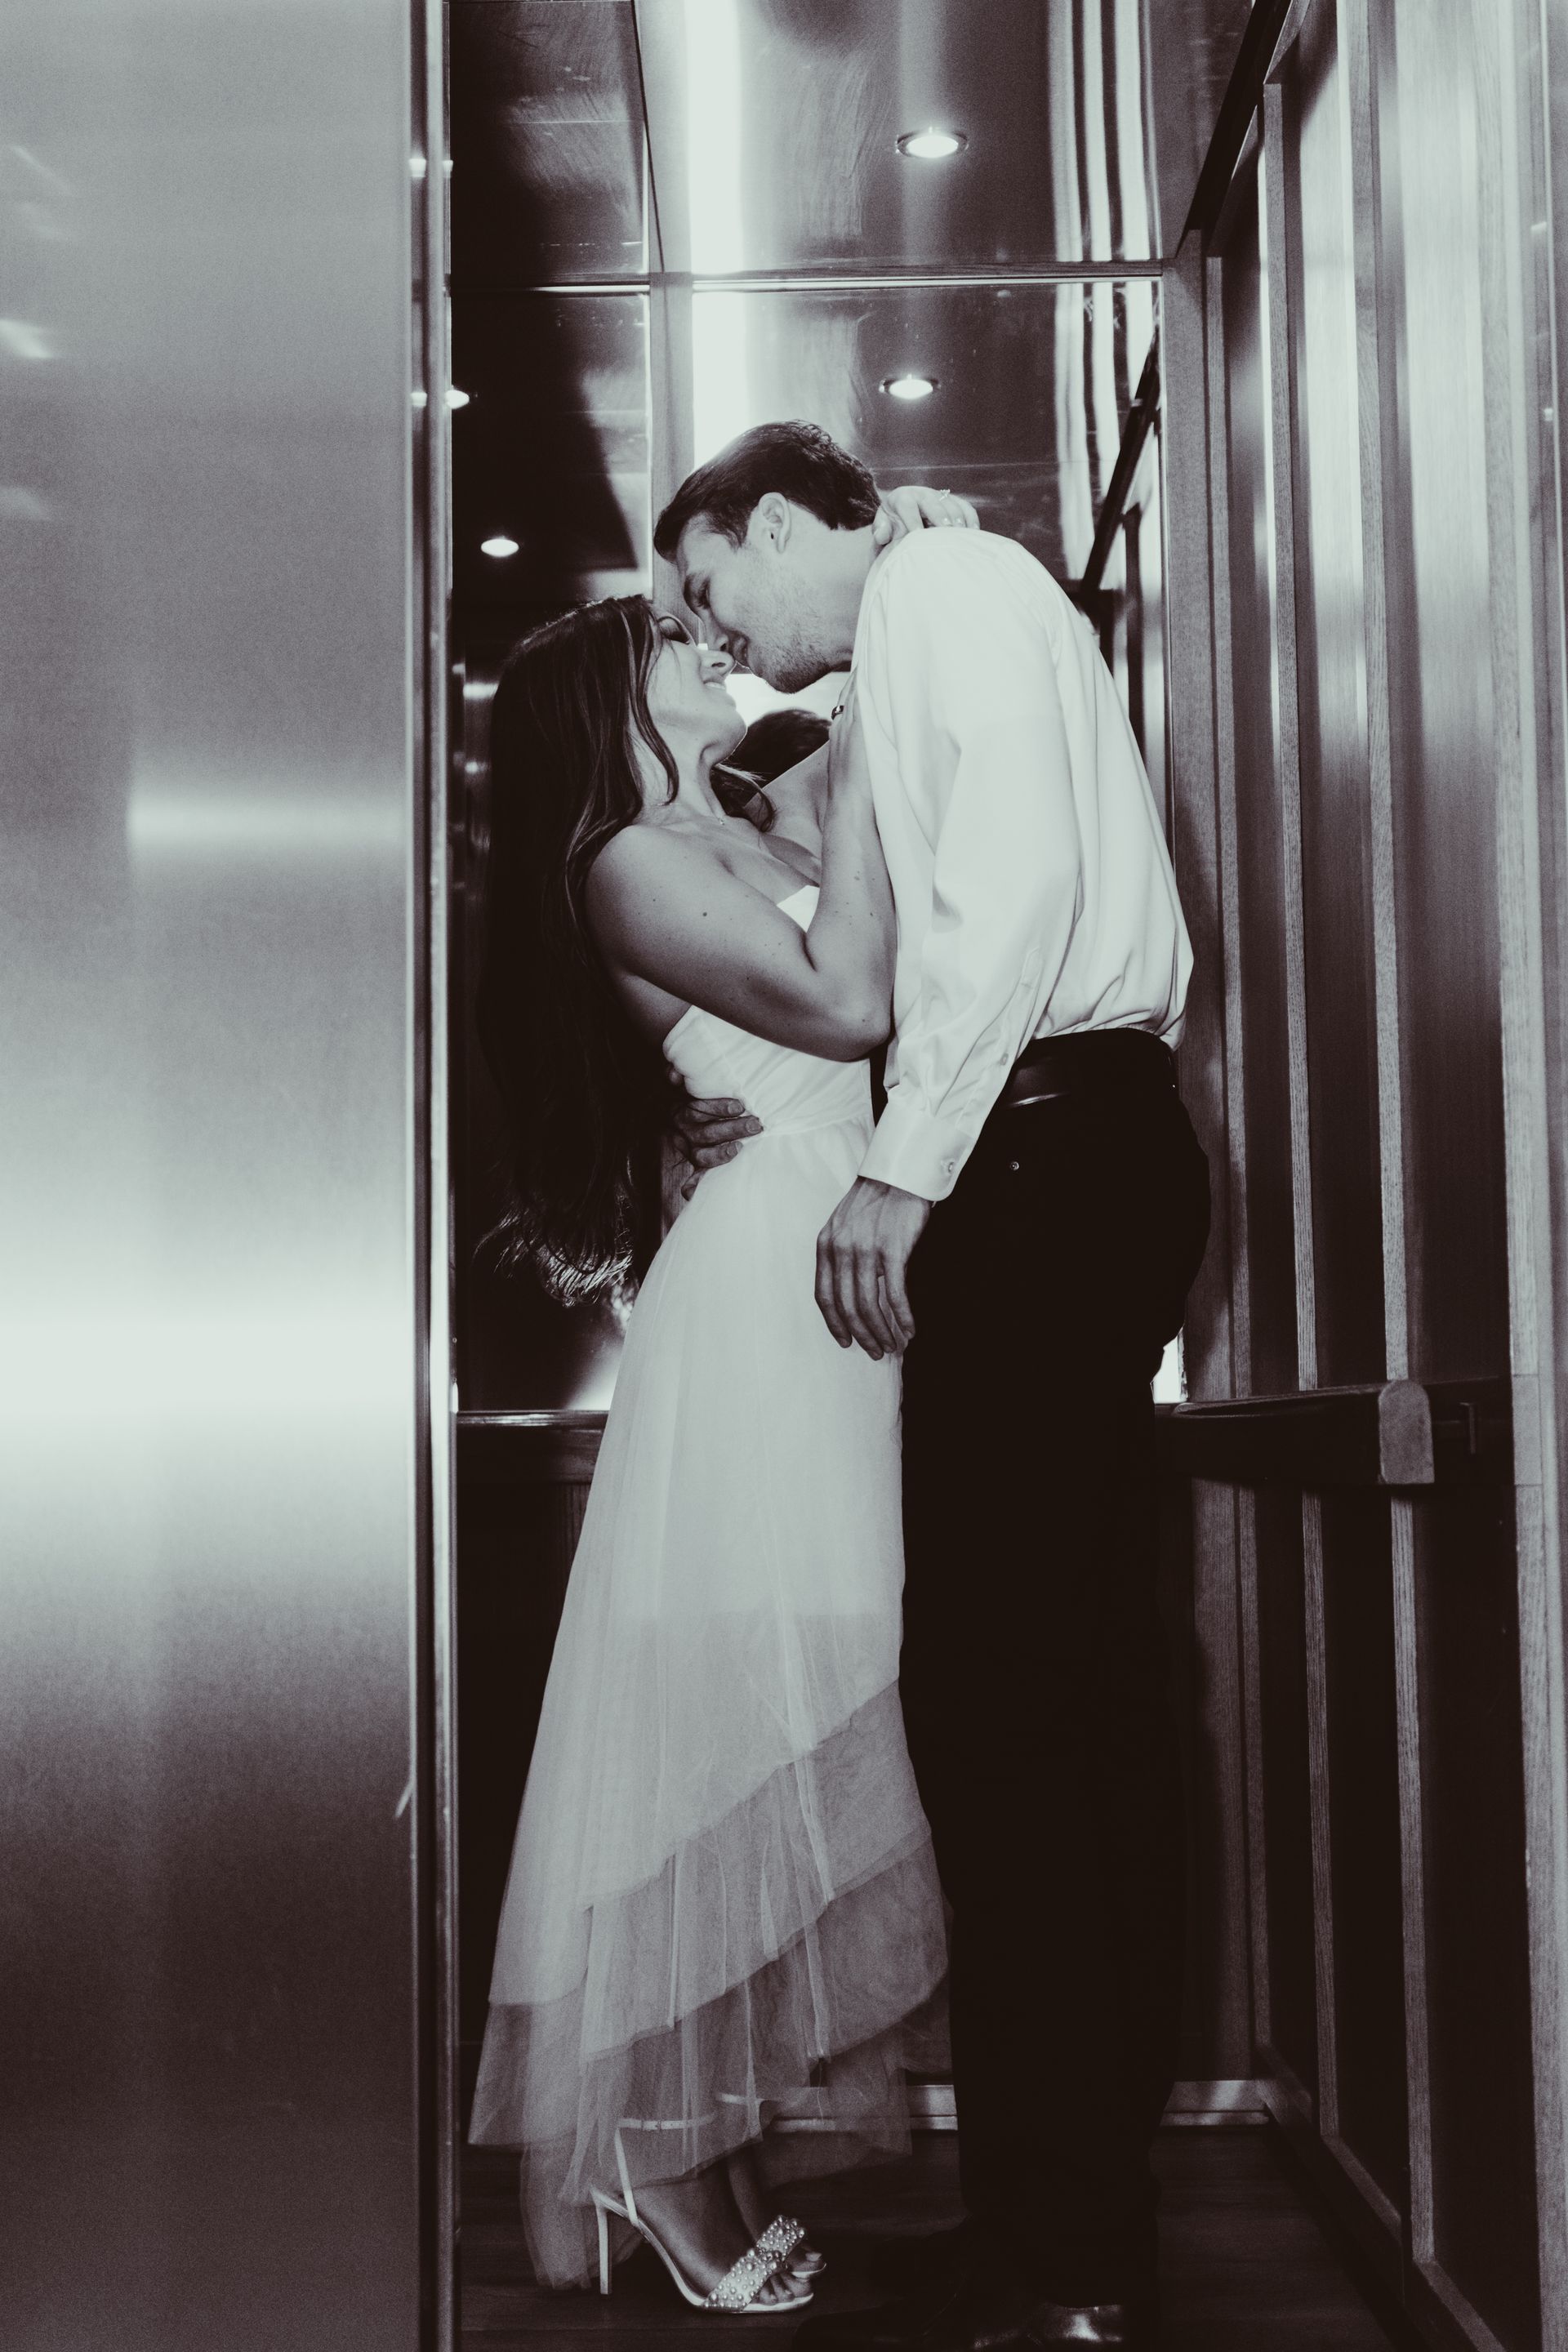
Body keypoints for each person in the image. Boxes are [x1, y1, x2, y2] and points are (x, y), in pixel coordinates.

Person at [657, 423, 1209, 2352]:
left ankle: (1062, 2260)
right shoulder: (946, 596)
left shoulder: (944, 594)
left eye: (717, 590)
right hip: (1080, 1148)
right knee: (1066, 1708)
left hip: (1040, 1156)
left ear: (787, 522)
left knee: (1008, 1720)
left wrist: (910, 1171)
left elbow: (1019, 881)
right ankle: (1071, 2235)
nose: (722, 645)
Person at [469, 491, 971, 2313]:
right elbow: (849, 1002)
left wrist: (904, 566)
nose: (706, 642)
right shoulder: (625, 858)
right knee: (744, 1713)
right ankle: (658, 2165)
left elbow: (881, 768)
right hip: (774, 1291)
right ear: (611, 708)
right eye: (667, 642)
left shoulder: (727, 818)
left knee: (807, 1693)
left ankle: (705, 2135)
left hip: (813, 1264)